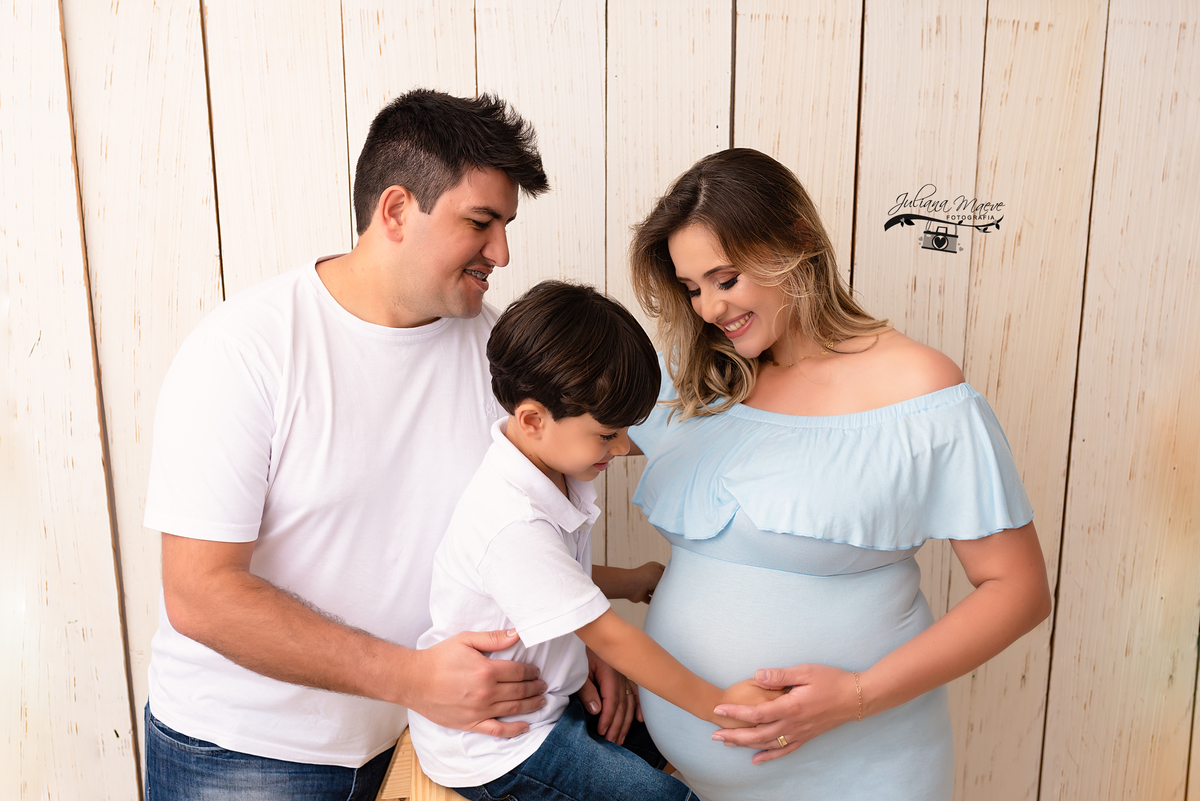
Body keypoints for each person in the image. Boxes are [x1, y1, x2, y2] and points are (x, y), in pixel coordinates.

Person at [141, 90, 630, 800]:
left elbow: (520, 535)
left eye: (506, 225)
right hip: (242, 754)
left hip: (430, 745)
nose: (502, 252)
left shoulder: (503, 360)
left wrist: (573, 640)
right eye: (481, 223)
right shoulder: (246, 349)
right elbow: (200, 594)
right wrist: (414, 677)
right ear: (396, 210)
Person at [623, 148, 1053, 801]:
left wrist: (854, 695)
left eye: (726, 278)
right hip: (695, 781)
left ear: (796, 244)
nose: (708, 307)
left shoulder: (918, 388)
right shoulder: (697, 380)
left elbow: (1018, 589)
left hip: (861, 770)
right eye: (692, 287)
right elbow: (535, 438)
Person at [408, 281, 780, 801]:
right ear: (534, 420)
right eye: (608, 434)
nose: (625, 447)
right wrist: (722, 704)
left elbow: (555, 578)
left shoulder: (551, 465)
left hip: (553, 700)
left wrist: (632, 581)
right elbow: (610, 637)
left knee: (677, 739)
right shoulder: (512, 521)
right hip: (505, 748)